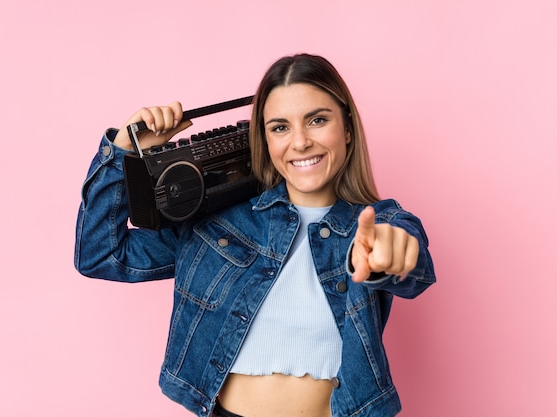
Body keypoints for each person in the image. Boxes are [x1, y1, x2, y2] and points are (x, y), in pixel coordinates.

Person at [75, 53, 436, 417]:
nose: (300, 142)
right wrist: (122, 151)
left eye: (317, 120)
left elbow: (409, 259)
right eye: (280, 127)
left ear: (346, 128)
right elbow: (101, 254)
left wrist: (389, 255)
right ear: (264, 138)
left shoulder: (377, 223)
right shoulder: (218, 223)